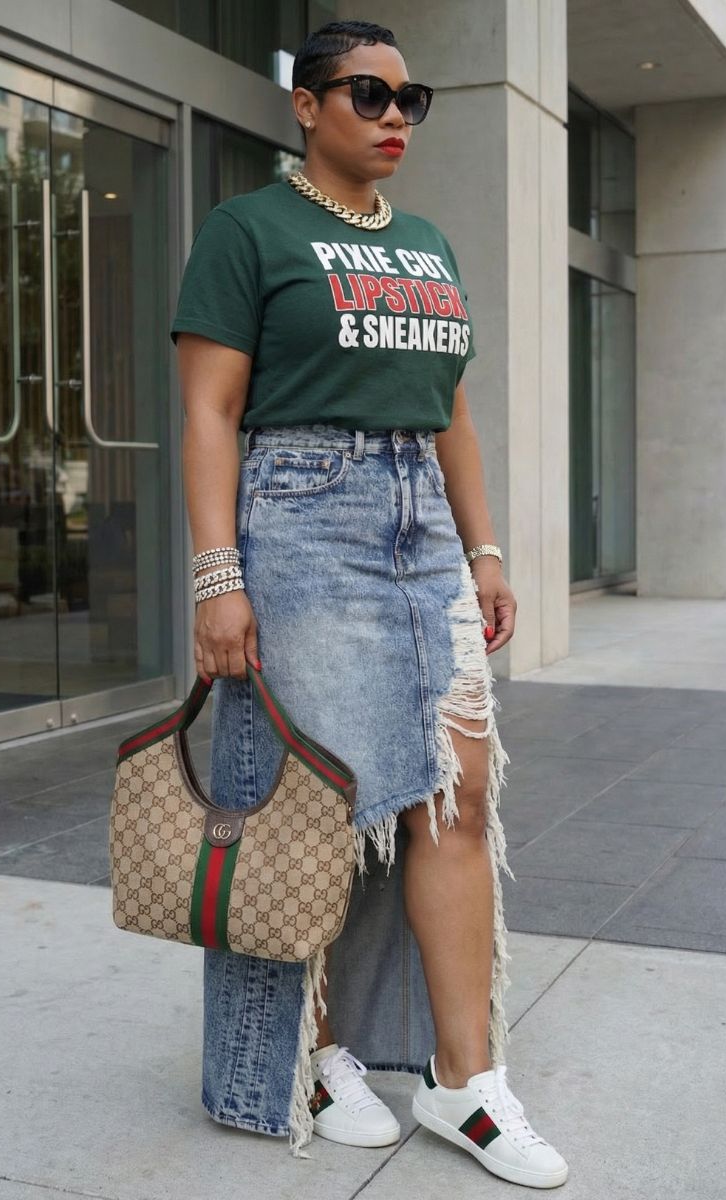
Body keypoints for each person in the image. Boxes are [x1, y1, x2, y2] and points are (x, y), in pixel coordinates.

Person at [171, 18, 568, 1190]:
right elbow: (208, 413)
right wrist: (216, 576)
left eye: (409, 99)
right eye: (367, 95)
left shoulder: (427, 242)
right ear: (306, 105)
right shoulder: (248, 229)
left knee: (455, 791)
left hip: (421, 531)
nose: (394, 117)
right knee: (322, 807)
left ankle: (464, 1080)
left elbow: (451, 411)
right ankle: (313, 1053)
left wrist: (482, 547)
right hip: (302, 515)